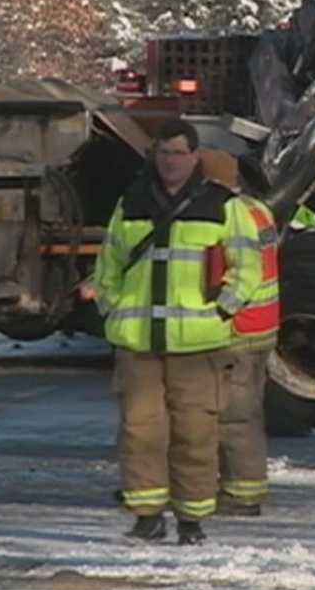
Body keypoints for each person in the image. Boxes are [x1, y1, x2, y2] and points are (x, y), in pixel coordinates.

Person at [89, 119, 269, 546]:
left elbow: (248, 268)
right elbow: (108, 263)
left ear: (194, 157)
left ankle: (192, 520)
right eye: (163, 153)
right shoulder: (131, 203)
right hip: (138, 342)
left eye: (178, 153)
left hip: (197, 344)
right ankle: (147, 516)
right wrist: (111, 306)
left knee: (195, 434)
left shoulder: (223, 205)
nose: (170, 162)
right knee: (140, 431)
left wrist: (221, 312)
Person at [198, 152, 283, 518]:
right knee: (246, 414)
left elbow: (240, 276)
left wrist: (218, 312)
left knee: (234, 418)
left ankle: (240, 494)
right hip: (263, 326)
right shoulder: (257, 209)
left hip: (240, 329)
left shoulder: (229, 214)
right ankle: (242, 489)